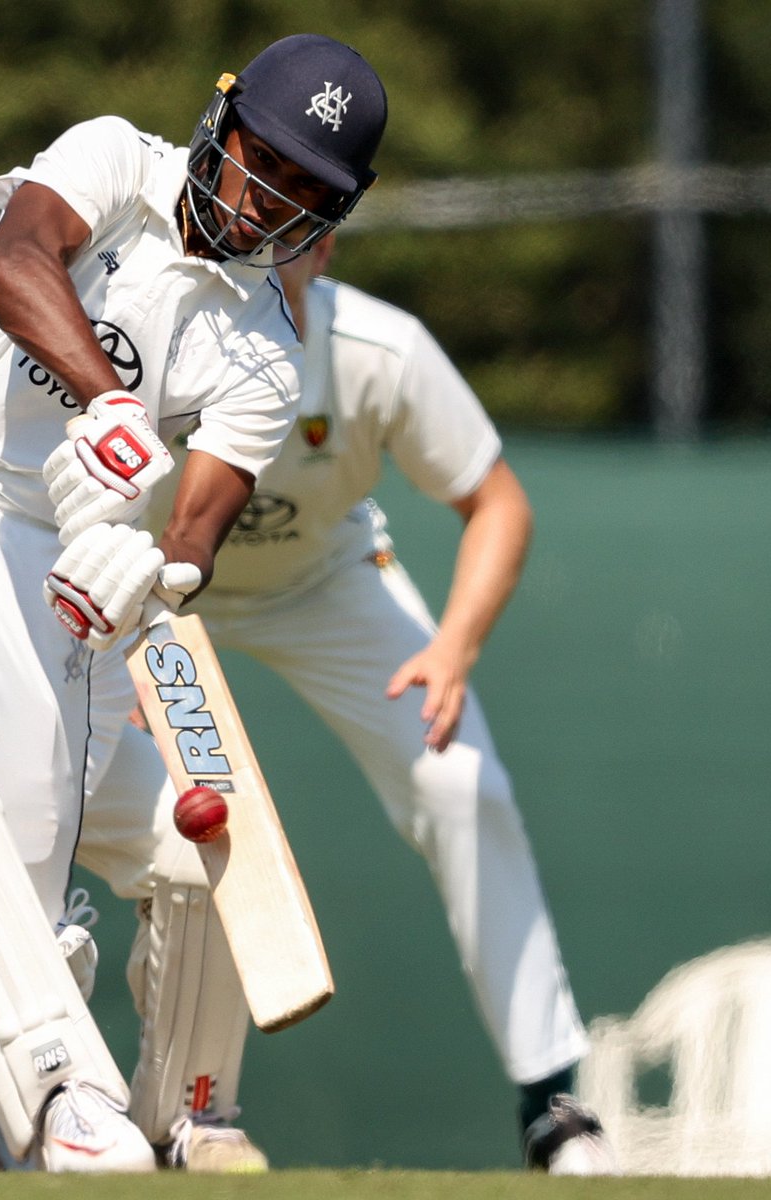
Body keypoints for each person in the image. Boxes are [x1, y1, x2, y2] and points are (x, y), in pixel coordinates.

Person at [0, 31, 388, 1175]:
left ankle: (70, 1119)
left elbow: (196, 530)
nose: (269, 199)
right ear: (222, 124)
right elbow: (15, 259)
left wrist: (152, 574)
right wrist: (110, 404)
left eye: (305, 189)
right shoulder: (115, 160)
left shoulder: (266, 355)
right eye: (264, 159)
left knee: (13, 919)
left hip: (41, 579)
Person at [110, 229, 618, 1173]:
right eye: (250, 240)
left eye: (295, 239)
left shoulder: (383, 351)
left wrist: (453, 646)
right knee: (35, 773)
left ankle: (552, 1106)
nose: (267, 262)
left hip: (328, 584)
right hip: (152, 588)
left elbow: (498, 504)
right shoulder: (148, 338)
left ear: (327, 252)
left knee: (461, 784)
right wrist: (112, 657)